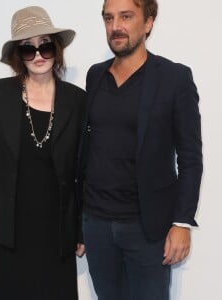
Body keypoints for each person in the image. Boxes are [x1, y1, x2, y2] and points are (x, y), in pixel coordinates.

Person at [76, 0, 203, 299]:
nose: (115, 26)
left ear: (148, 23)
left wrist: (181, 222)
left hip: (148, 229)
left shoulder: (174, 78)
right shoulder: (95, 75)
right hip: (96, 224)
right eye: (108, 18)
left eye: (126, 16)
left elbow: (190, 158)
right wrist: (78, 220)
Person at [0, 6, 85, 300]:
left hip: (54, 228)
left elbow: (81, 168)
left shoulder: (76, 99)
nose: (37, 56)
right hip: (5, 228)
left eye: (45, 46)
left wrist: (80, 228)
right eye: (28, 49)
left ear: (56, 50)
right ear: (17, 56)